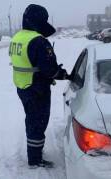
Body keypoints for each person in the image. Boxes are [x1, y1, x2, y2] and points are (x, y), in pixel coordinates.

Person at [9, 4, 68, 169]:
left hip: (22, 85)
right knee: (38, 122)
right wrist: (61, 74)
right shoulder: (38, 41)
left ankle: (33, 153)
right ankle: (35, 160)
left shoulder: (18, 37)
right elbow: (49, 69)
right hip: (37, 88)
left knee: (31, 119)